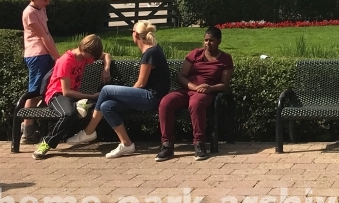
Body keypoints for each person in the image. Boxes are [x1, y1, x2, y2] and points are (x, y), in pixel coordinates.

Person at [66, 21, 170, 158]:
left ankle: (89, 131)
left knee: (106, 90)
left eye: (131, 32)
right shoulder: (151, 50)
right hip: (146, 96)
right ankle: (127, 144)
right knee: (106, 106)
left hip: (152, 97)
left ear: (136, 35)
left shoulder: (150, 52)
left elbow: (140, 84)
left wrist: (125, 94)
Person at [156, 27, 233, 162]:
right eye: (206, 40)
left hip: (206, 93)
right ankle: (166, 145)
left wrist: (210, 88)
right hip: (188, 89)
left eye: (212, 40)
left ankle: (199, 143)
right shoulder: (195, 54)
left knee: (196, 103)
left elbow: (224, 84)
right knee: (166, 102)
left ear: (219, 41)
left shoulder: (225, 59)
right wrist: (195, 87)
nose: (208, 43)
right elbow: (181, 76)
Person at [33, 35, 112, 159]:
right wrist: (90, 96)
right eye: (91, 56)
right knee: (68, 114)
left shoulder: (85, 57)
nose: (92, 59)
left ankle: (80, 105)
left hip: (73, 95)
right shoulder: (66, 61)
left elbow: (106, 55)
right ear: (85, 51)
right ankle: (46, 143)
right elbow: (66, 92)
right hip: (57, 95)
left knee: (104, 100)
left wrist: (106, 69)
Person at [21, 0, 61, 144]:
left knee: (44, 87)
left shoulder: (40, 9)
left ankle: (30, 125)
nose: (47, 3)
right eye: (44, 0)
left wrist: (55, 54)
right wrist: (57, 56)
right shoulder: (30, 12)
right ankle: (27, 129)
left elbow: (47, 33)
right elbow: (43, 36)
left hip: (44, 53)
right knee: (35, 90)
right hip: (36, 54)